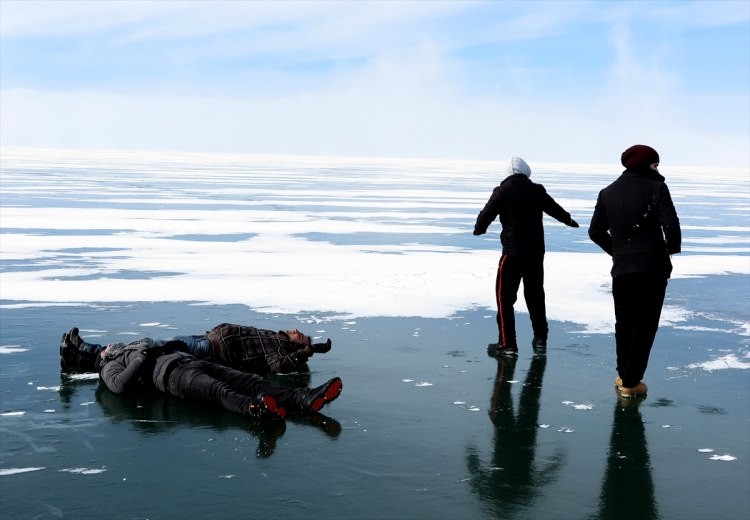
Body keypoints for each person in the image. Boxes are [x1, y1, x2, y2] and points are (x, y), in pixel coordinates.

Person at [588, 144, 681, 398]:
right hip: (652, 269)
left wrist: (617, 251)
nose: (658, 169)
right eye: (655, 164)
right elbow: (671, 226)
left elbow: (595, 231)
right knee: (645, 324)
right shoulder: (657, 188)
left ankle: (623, 375)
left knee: (625, 323)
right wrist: (669, 249)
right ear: (644, 164)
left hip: (622, 269)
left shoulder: (607, 193)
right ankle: (632, 381)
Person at [473, 156, 580, 356]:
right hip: (535, 253)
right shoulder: (536, 190)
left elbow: (486, 214)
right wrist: (569, 220)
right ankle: (541, 339)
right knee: (535, 296)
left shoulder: (502, 191)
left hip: (512, 254)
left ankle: (507, 344)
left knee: (504, 298)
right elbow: (554, 209)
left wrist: (479, 229)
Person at [93, 338, 343, 421]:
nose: (107, 345)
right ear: (103, 357)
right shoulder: (110, 366)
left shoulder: (134, 345)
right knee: (219, 391)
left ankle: (303, 398)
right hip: (173, 378)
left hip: (190, 361)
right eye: (103, 349)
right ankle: (256, 409)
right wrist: (142, 357)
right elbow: (119, 386)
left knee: (250, 380)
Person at [60, 323, 332, 374]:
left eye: (302, 336)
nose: (297, 331)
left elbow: (278, 366)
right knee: (150, 347)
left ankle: (87, 351)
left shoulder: (280, 348)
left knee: (149, 347)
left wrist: (308, 351)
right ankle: (79, 356)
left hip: (209, 351)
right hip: (205, 338)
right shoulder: (275, 335)